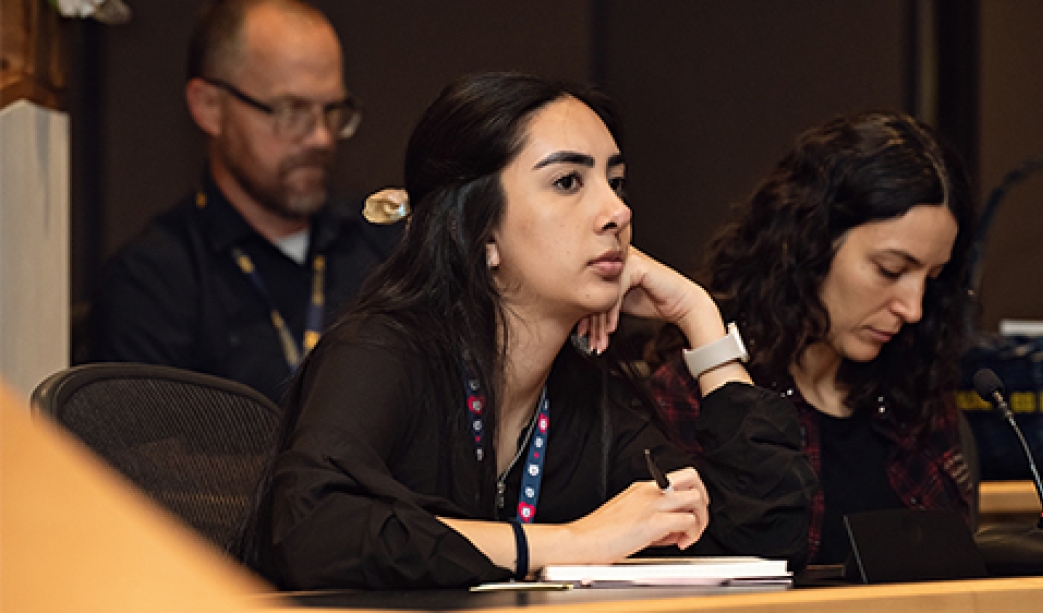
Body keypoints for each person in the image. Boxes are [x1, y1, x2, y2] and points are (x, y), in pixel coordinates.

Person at [238, 72, 816, 589]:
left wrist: (699, 319)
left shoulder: (587, 396)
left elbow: (762, 545)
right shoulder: (383, 348)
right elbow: (312, 528)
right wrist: (572, 544)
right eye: (568, 182)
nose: (617, 211)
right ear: (481, 231)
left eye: (616, 182)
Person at [649, 111, 978, 567]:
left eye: (933, 277)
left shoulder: (914, 388)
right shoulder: (704, 389)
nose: (914, 308)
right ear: (810, 241)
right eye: (891, 270)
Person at [89, 0, 402, 402]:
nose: (321, 138)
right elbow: (143, 459)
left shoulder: (384, 249)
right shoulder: (154, 283)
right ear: (210, 107)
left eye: (332, 111)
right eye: (291, 110)